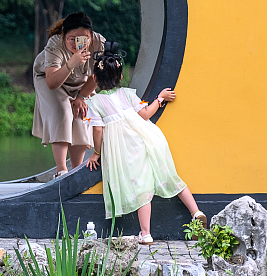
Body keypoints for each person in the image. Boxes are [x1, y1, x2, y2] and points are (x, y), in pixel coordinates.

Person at [84, 42, 207, 245]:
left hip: (126, 150)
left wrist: (97, 152)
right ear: (121, 77)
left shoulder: (95, 103)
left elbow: (97, 130)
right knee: (170, 176)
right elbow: (145, 114)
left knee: (142, 189)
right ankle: (196, 212)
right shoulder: (128, 94)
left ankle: (146, 233)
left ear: (95, 79)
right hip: (149, 140)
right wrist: (160, 98)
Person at [31, 12, 105, 176]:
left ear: (91, 36)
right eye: (72, 39)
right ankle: (61, 171)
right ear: (63, 35)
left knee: (80, 114)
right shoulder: (54, 44)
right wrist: (71, 63)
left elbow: (98, 76)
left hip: (80, 81)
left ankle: (76, 170)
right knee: (62, 111)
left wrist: (81, 97)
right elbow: (52, 82)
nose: (78, 43)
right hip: (50, 79)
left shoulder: (99, 43)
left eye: (84, 38)